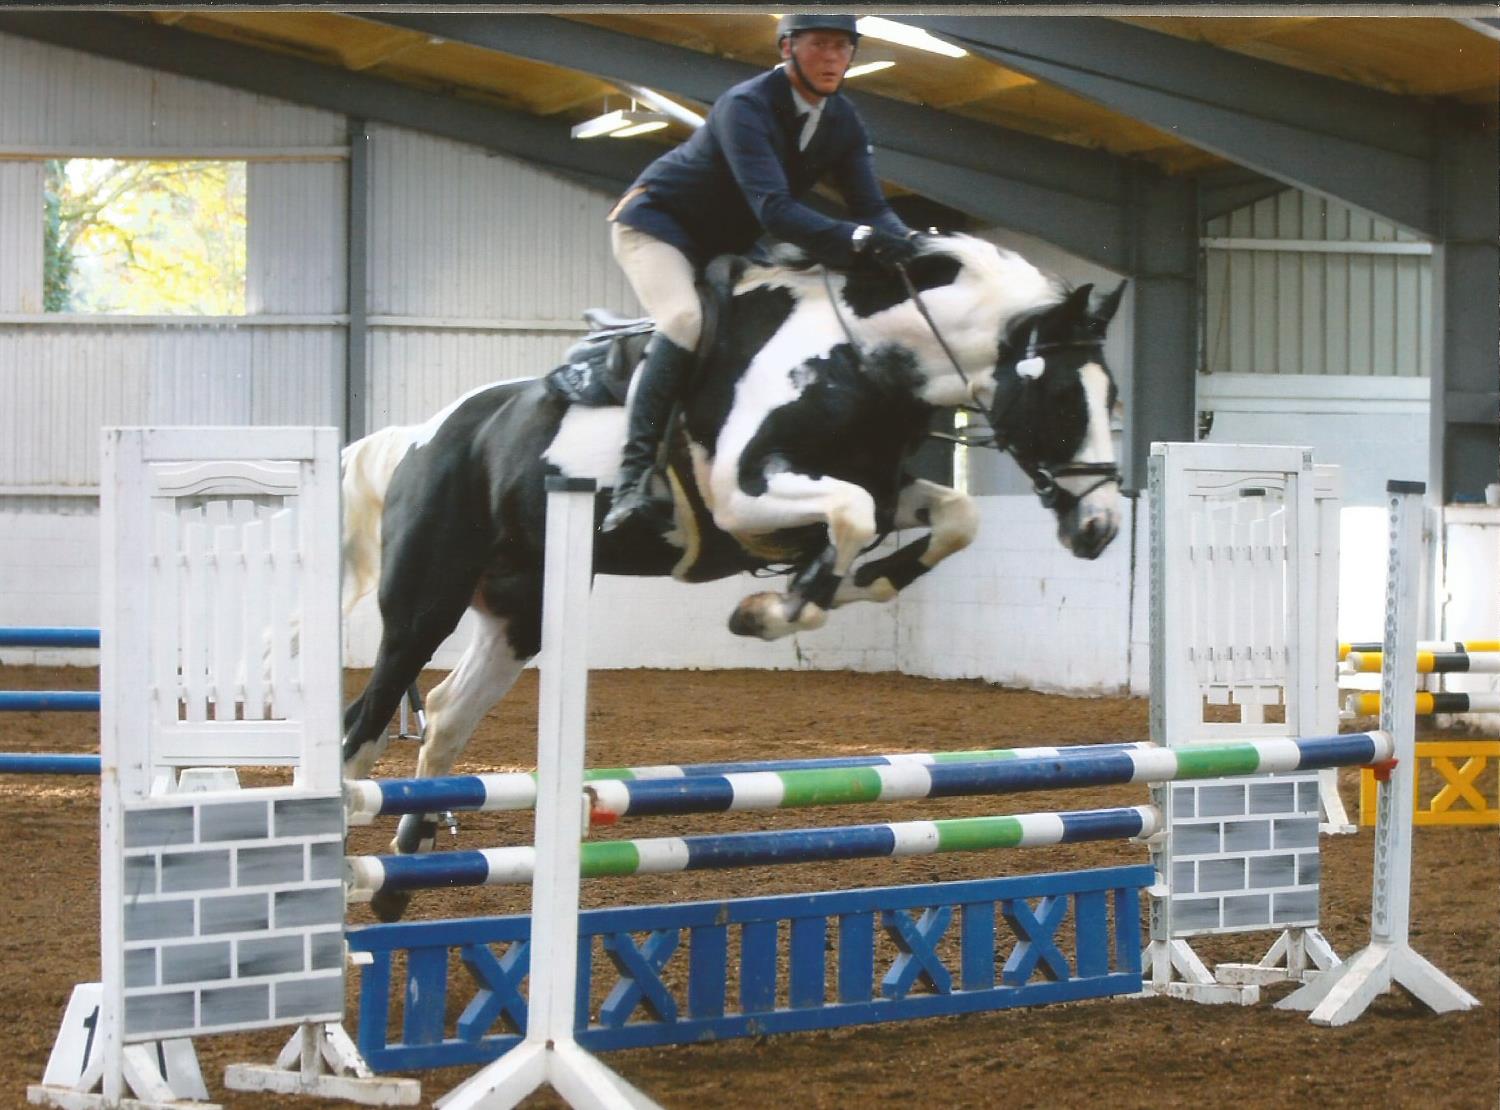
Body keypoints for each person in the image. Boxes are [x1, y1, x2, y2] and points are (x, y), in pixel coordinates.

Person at [601, 12, 920, 533]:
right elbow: (773, 208)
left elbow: (871, 206)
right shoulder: (746, 105)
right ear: (787, 48)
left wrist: (913, 246)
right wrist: (859, 239)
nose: (834, 58)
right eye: (820, 45)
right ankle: (633, 479)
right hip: (659, 224)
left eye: (844, 47)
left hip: (728, 240)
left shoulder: (842, 119)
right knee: (685, 320)